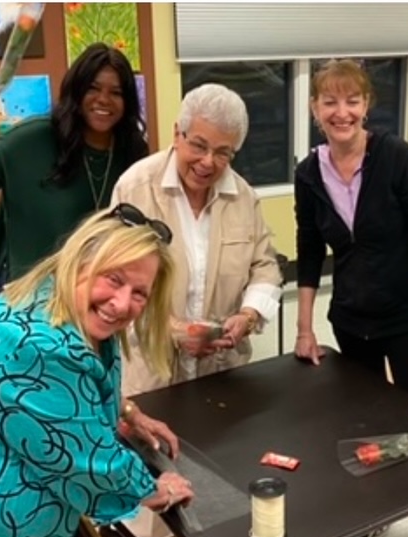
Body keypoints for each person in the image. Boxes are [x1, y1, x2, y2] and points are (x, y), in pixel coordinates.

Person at [294, 59, 408, 537]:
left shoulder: (399, 160)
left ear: (366, 106)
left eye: (352, 101)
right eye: (330, 101)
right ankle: (375, 513)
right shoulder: (309, 173)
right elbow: (308, 251)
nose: (341, 111)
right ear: (314, 109)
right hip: (351, 318)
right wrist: (304, 328)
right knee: (365, 422)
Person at [0, 204, 195, 537]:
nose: (120, 304)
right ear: (80, 260)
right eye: (114, 279)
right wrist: (154, 489)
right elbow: (86, 461)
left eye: (139, 293)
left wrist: (127, 410)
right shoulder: (31, 343)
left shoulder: (65, 301)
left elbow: (75, 387)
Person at [110, 83, 282, 397]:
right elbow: (114, 283)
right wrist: (174, 330)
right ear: (178, 134)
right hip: (152, 378)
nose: (207, 162)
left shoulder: (243, 197)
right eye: (199, 146)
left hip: (223, 374)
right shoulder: (135, 188)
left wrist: (248, 315)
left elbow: (265, 267)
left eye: (222, 153)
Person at [0, 41, 148, 289]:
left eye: (116, 93)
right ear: (76, 91)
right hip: (30, 305)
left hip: (101, 305)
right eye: (92, 89)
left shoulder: (133, 153)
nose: (103, 100)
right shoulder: (31, 140)